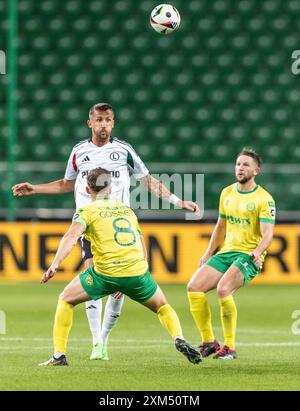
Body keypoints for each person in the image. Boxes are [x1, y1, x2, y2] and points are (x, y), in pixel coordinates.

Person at [12, 102, 200, 361]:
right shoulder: (79, 152)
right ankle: (96, 342)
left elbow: (148, 181)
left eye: (107, 120)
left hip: (120, 219)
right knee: (94, 274)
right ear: (90, 123)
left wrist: (178, 202)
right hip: (89, 225)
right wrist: (36, 188)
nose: (103, 124)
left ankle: (102, 339)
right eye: (98, 120)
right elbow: (67, 184)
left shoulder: (123, 150)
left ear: (113, 123)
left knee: (111, 287)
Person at [38, 167, 201, 366]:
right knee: (163, 307)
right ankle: (179, 337)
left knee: (65, 299)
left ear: (87, 191)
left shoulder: (86, 211)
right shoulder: (127, 210)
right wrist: (144, 268)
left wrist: (55, 264)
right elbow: (141, 240)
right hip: (137, 272)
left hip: (106, 274)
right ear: (112, 188)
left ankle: (59, 356)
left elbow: (71, 237)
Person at [187, 148, 275, 359]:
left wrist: (257, 252)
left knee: (223, 289)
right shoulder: (227, 193)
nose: (240, 168)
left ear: (256, 170)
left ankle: (230, 347)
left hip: (247, 256)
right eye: (238, 164)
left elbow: (268, 233)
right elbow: (220, 227)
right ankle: (209, 341)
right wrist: (208, 252)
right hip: (226, 252)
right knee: (194, 288)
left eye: (245, 165)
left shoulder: (265, 199)